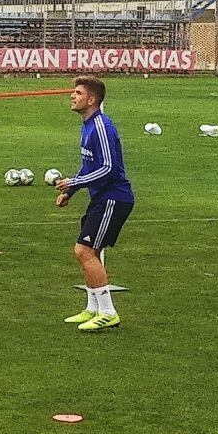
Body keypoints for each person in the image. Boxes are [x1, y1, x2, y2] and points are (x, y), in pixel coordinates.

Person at [54, 76, 134, 331]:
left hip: (114, 197)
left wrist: (72, 181)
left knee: (84, 251)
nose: (72, 96)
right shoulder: (87, 125)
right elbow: (90, 165)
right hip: (101, 197)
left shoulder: (101, 126)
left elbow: (109, 168)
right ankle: (92, 308)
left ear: (91, 99)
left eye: (77, 93)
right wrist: (73, 190)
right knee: (92, 251)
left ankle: (108, 312)